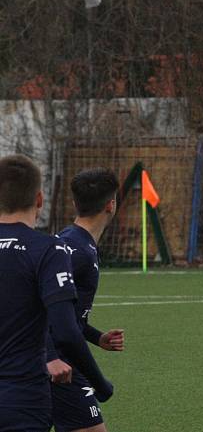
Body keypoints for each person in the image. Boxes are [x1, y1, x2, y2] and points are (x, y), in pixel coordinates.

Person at [0, 155, 113, 432]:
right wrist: (100, 383)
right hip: (22, 394)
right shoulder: (51, 249)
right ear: (39, 200)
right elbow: (64, 330)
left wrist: (97, 337)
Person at [47, 168, 124, 432]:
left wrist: (95, 336)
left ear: (74, 204)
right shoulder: (78, 251)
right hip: (59, 363)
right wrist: (99, 382)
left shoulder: (70, 241)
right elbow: (43, 309)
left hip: (51, 356)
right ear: (111, 205)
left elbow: (63, 309)